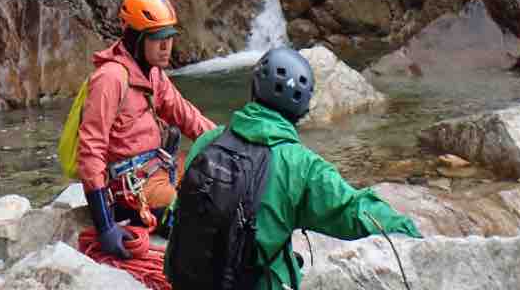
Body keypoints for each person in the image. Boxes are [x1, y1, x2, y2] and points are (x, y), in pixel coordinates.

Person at [173, 46, 420, 287]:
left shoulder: (208, 141)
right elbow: (354, 211)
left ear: (255, 87)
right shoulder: (302, 166)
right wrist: (410, 234)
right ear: (302, 109)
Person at [78, 0, 216, 258]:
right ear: (136, 38)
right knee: (202, 213)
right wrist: (105, 226)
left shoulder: (153, 74)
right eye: (158, 39)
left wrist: (232, 141)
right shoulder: (110, 79)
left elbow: (188, 116)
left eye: (170, 38)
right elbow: (90, 150)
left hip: (159, 170)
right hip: (133, 192)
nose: (167, 47)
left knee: (219, 172)